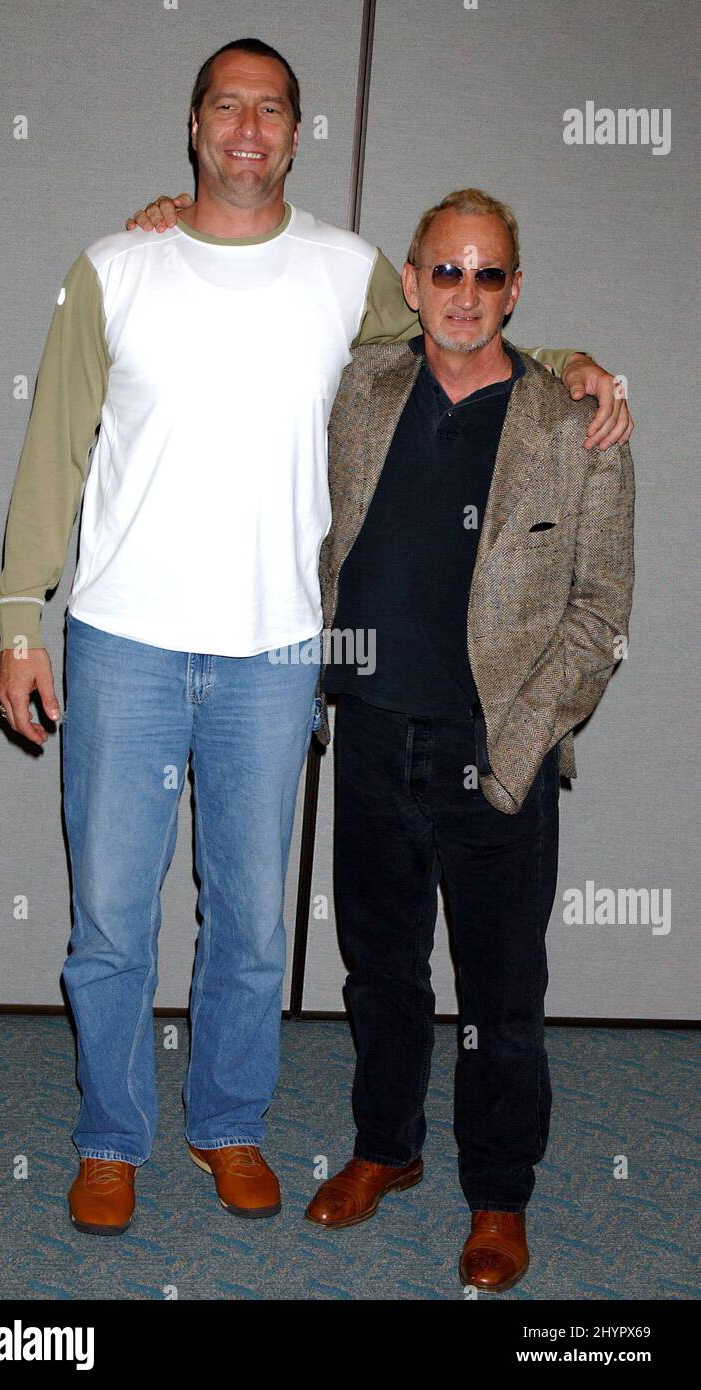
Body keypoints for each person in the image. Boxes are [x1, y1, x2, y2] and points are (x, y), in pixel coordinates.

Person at [0, 37, 632, 1239]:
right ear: (193, 127)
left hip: (280, 654)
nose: (247, 127)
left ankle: (227, 1122)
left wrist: (570, 363)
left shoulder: (346, 270)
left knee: (247, 916)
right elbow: (52, 454)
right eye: (225, 106)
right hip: (122, 642)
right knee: (111, 920)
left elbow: (461, 334)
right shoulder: (114, 267)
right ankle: (110, 1135)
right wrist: (20, 615)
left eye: (270, 108)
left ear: (297, 132)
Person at [302, 189, 634, 1294]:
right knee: (378, 968)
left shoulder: (573, 422)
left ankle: (498, 1195)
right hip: (369, 733)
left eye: (487, 275)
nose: (464, 294)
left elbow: (598, 614)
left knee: (501, 993)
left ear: (514, 290)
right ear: (409, 282)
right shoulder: (360, 390)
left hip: (493, 755)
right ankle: (384, 1149)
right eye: (444, 272)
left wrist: (522, 742)